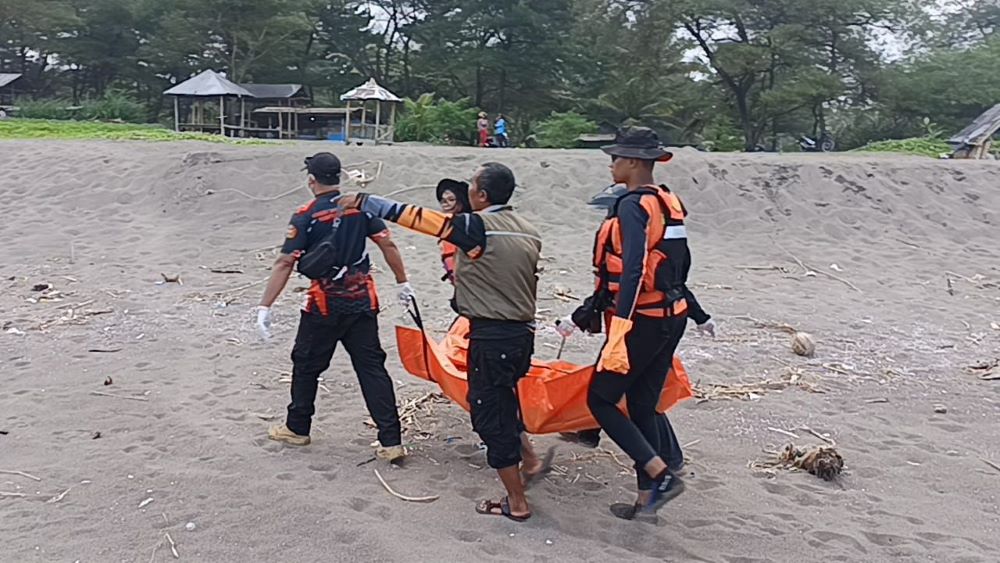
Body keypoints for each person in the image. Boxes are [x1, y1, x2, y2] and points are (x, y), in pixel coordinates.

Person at [339, 163, 543, 522]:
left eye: (471, 188)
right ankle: (530, 460)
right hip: (522, 335)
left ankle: (517, 502)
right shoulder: (529, 231)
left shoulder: (476, 227)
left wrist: (364, 200)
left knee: (489, 416)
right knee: (505, 399)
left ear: (480, 195)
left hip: (492, 335)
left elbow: (416, 218)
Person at [257, 152, 413, 463]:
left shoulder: (306, 215)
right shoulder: (360, 207)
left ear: (311, 180)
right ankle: (391, 440)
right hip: (362, 302)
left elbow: (286, 261)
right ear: (339, 177)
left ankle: (297, 428)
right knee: (372, 369)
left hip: (323, 305)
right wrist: (402, 282)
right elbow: (388, 244)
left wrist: (265, 305)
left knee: (306, 364)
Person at [580, 126, 693, 519]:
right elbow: (682, 261)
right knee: (643, 405)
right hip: (671, 316)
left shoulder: (631, 205)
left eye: (615, 158)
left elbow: (632, 271)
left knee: (601, 399)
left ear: (632, 162)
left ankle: (659, 474)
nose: (611, 164)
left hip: (642, 320)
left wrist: (619, 328)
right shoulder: (668, 201)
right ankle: (647, 500)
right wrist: (690, 307)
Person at [558, 184, 716, 456]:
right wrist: (700, 318)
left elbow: (610, 289)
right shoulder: (664, 236)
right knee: (642, 398)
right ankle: (668, 460)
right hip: (667, 320)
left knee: (605, 395)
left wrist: (576, 320)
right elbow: (676, 286)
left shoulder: (626, 238)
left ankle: (653, 466)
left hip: (638, 324)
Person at [436, 179, 472, 284]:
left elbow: (452, 269)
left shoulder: (453, 229)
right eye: (443, 201)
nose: (445, 204)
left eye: (451, 199)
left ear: (461, 202)